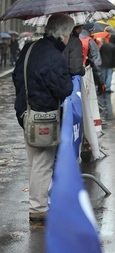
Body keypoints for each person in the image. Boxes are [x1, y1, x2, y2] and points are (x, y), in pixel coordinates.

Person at [12, 13, 75, 222]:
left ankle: (36, 200)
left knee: (33, 160)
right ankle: (38, 208)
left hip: (25, 112)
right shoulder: (54, 56)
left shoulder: (30, 48)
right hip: (43, 116)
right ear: (64, 34)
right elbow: (63, 88)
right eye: (70, 33)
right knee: (42, 162)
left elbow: (16, 76)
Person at [79, 23, 105, 95]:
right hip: (85, 73)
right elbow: (97, 63)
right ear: (91, 30)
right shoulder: (90, 41)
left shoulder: (71, 38)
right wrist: (101, 82)